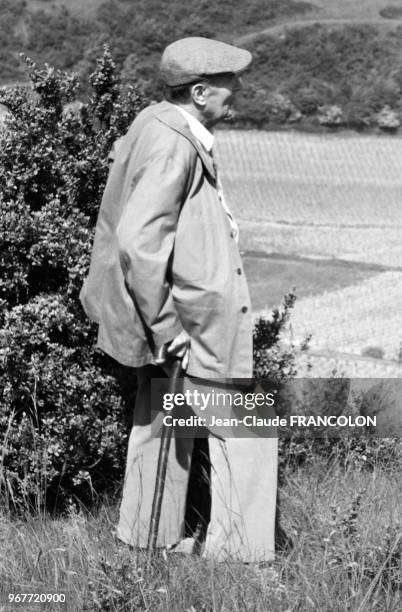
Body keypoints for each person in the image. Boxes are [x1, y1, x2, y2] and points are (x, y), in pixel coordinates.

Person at [80, 36, 277, 562]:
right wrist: (170, 328)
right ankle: (240, 558)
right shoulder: (174, 142)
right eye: (229, 84)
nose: (237, 92)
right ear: (198, 92)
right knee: (248, 428)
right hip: (189, 316)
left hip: (167, 310)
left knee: (162, 420)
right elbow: (140, 242)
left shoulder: (156, 121)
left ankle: (147, 540)